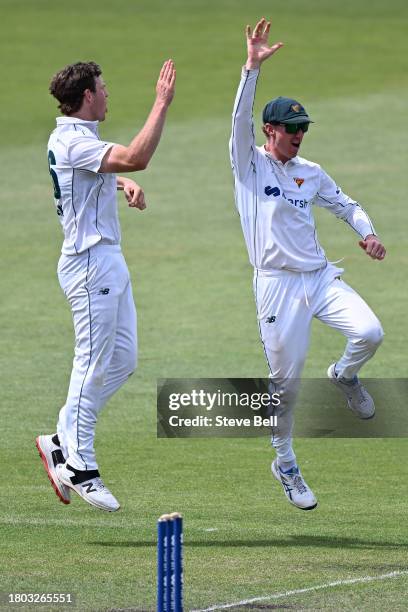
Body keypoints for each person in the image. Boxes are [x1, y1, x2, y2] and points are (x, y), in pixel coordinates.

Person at [230, 18, 386, 511]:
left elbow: (347, 204)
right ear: (270, 130)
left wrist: (367, 233)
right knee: (286, 385)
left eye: (304, 128)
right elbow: (238, 118)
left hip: (319, 278)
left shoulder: (310, 173)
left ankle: (344, 374)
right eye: (292, 128)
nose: (299, 135)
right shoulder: (248, 163)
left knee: (370, 333)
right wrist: (251, 68)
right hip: (277, 287)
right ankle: (285, 461)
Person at [36, 59, 176, 512]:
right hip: (90, 263)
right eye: (103, 87)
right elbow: (138, 155)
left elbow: (93, 174)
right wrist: (161, 102)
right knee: (92, 363)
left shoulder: (79, 139)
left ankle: (61, 437)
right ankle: (79, 465)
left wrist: (120, 182)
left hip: (106, 260)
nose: (108, 92)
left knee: (123, 360)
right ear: (87, 96)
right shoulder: (74, 139)